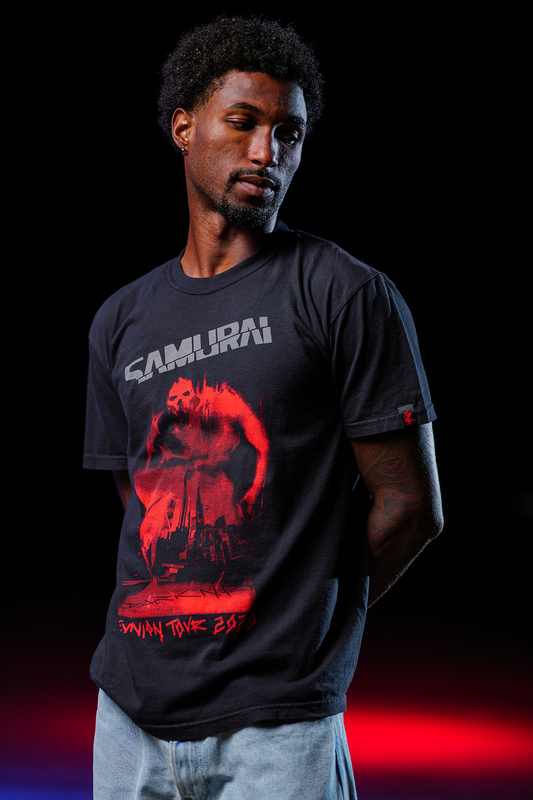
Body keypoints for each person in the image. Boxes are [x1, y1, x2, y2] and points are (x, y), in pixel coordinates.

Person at [84, 14, 444, 799]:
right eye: (242, 123)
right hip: (130, 712)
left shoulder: (344, 293)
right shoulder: (121, 318)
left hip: (276, 724)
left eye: (289, 134)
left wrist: (303, 618)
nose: (265, 153)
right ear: (184, 128)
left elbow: (410, 508)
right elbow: (137, 493)